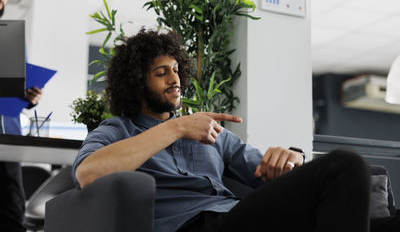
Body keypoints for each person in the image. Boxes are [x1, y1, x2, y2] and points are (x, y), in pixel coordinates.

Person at [73, 29, 371, 232]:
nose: (174, 79)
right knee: (345, 164)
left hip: (237, 215)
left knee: (352, 180)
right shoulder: (118, 130)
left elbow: (264, 172)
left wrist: (291, 160)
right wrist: (176, 127)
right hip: (193, 225)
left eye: (176, 69)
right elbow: (89, 173)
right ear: (136, 84)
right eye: (161, 73)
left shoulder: (210, 132)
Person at [0, 0, 43, 232]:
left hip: (8, 146)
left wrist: (31, 97)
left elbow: (16, 89)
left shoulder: (9, 39)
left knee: (12, 220)